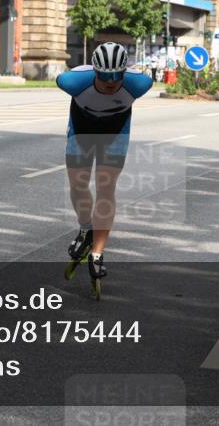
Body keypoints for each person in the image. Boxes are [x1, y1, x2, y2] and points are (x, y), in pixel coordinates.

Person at [55, 42, 153, 299]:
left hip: (115, 130)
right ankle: (86, 228)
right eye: (105, 78)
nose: (111, 84)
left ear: (125, 72)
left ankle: (97, 253)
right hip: (82, 126)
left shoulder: (139, 84)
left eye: (116, 77)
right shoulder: (72, 82)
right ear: (95, 72)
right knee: (78, 183)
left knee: (106, 185)